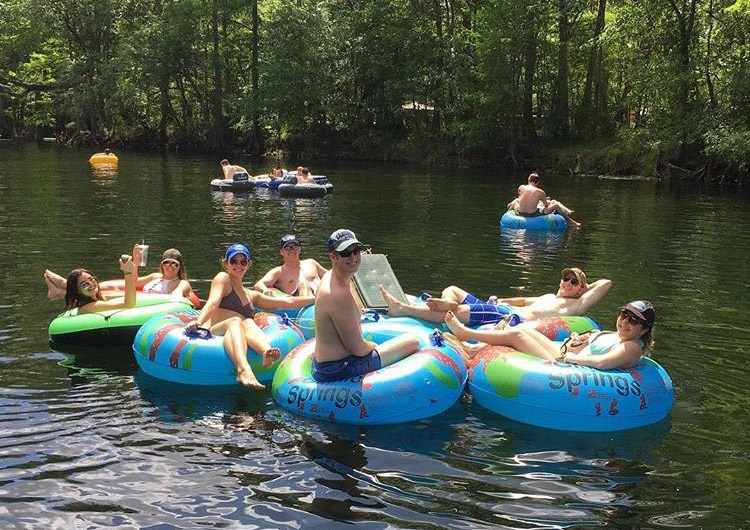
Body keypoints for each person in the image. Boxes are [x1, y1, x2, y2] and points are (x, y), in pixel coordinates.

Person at [185, 243, 315, 390]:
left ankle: (265, 352)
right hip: (214, 330)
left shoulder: (250, 294)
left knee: (247, 321)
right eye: (233, 261)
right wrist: (198, 322)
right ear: (225, 263)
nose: (238, 265)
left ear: (248, 264)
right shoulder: (223, 279)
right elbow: (213, 303)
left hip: (237, 332)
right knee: (235, 321)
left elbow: (288, 301)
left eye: (243, 262)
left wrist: (317, 299)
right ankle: (243, 370)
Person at [312, 229, 420, 382]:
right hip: (338, 370)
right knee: (412, 342)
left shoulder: (334, 277)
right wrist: (374, 345)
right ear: (333, 257)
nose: (353, 257)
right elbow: (358, 349)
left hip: (326, 364)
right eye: (346, 253)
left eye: (356, 251)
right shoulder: (337, 294)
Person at [445, 300, 655, 368]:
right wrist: (576, 340)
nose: (625, 322)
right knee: (522, 329)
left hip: (567, 366)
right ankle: (475, 348)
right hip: (561, 352)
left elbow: (601, 363)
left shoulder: (632, 347)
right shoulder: (617, 335)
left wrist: (571, 357)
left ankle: (465, 333)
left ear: (644, 329)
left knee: (517, 337)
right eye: (624, 315)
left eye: (634, 320)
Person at [380, 267, 611, 327]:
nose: (567, 283)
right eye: (566, 278)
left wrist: (585, 286)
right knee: (452, 288)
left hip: (509, 317)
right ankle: (448, 301)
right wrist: (500, 300)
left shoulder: (576, 305)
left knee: (456, 313)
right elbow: (522, 301)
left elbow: (606, 283)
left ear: (581, 289)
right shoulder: (550, 295)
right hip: (499, 308)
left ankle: (404, 309)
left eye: (573, 282)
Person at [44, 248, 195, 301]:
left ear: (180, 267)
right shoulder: (156, 277)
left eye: (174, 264)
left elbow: (179, 293)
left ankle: (63, 289)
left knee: (102, 295)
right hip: (141, 299)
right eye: (167, 263)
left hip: (148, 303)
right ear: (162, 265)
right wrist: (135, 261)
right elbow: (134, 282)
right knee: (108, 292)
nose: (170, 267)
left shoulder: (181, 282)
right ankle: (63, 288)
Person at [58, 245, 140, 314]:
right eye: (84, 284)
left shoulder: (100, 297)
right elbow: (129, 304)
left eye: (91, 279)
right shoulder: (89, 307)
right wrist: (127, 272)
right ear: (77, 291)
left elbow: (133, 296)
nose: (91, 284)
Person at [254, 234, 327, 296]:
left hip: (321, 297)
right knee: (304, 285)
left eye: (295, 247)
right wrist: (265, 290)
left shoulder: (311, 263)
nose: (292, 250)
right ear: (282, 252)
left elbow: (330, 275)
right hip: (301, 303)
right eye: (287, 248)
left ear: (299, 250)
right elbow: (258, 284)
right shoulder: (278, 272)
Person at [507, 172, 581, 227]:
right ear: (538, 182)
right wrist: (547, 202)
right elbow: (546, 205)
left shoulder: (522, 188)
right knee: (556, 206)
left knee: (515, 201)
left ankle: (507, 215)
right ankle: (571, 222)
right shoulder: (540, 192)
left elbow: (521, 199)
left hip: (520, 212)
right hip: (532, 214)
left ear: (528, 179)